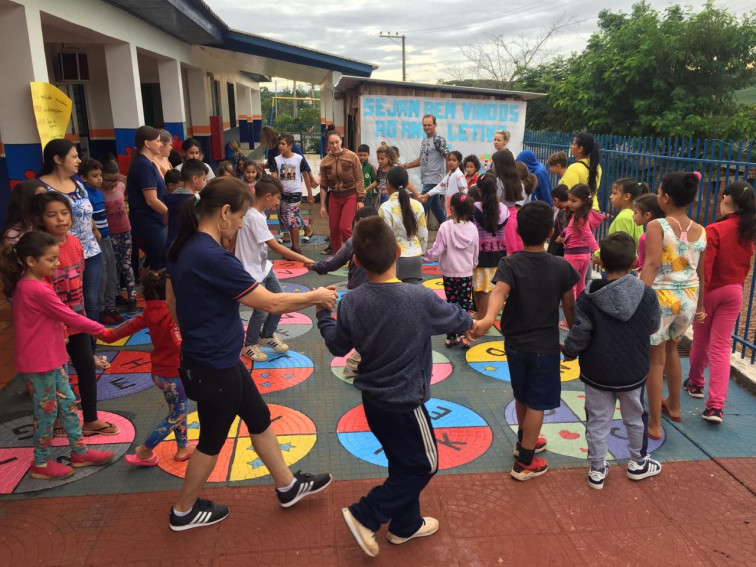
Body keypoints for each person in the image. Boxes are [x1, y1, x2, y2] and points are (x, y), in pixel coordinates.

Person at [166, 176, 337, 531]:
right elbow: (270, 302)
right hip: (214, 364)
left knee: (258, 417)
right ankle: (183, 511)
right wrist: (316, 296)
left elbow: (172, 303)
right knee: (211, 441)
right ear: (225, 213)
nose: (243, 224)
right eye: (241, 217)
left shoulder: (183, 245)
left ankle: (288, 486)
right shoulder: (212, 256)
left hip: (214, 357)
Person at [317, 216, 473, 557]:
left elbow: (338, 347)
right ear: (398, 251)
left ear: (356, 260)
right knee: (424, 464)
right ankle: (366, 514)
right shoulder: (418, 298)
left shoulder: (353, 302)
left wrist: (322, 315)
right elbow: (460, 319)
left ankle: (406, 524)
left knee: (402, 463)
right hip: (405, 403)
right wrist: (479, 320)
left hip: (373, 402)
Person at [470, 201, 579, 480]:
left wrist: (487, 319)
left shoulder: (510, 262)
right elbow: (569, 307)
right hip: (545, 347)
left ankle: (524, 441)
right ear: (549, 233)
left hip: (515, 344)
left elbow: (498, 293)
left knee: (522, 394)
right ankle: (525, 462)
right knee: (538, 402)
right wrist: (577, 335)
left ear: (517, 229)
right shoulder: (560, 266)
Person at [0, 231, 114, 480]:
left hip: (52, 358)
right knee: (46, 412)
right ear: (31, 261)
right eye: (51, 259)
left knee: (67, 404)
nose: (57, 263)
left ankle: (79, 451)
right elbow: (68, 315)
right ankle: (40, 463)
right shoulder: (34, 288)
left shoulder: (36, 283)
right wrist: (102, 331)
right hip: (39, 363)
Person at [563, 232, 662, 489]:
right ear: (634, 263)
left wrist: (570, 351)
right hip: (632, 371)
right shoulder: (648, 295)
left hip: (596, 371)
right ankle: (638, 462)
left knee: (597, 420)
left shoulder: (589, 295)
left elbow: (581, 331)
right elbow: (653, 327)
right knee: (634, 416)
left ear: (600, 263)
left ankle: (597, 469)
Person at [32, 192, 120, 436]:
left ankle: (91, 418)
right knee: (56, 375)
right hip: (51, 324)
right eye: (52, 215)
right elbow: (42, 294)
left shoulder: (74, 243)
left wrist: (81, 318)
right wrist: (60, 327)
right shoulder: (39, 250)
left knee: (85, 366)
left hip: (76, 318)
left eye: (64, 213)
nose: (60, 219)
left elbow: (78, 280)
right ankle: (59, 418)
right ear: (40, 219)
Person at [99, 270, 193, 465]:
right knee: (179, 413)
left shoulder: (148, 314)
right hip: (174, 373)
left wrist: (91, 328)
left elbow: (112, 335)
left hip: (159, 372)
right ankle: (145, 450)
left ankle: (183, 447)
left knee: (177, 408)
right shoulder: (173, 316)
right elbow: (179, 342)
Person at [640, 172, 706, 439]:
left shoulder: (657, 225)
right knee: (672, 351)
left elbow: (652, 264)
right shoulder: (701, 230)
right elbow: (701, 270)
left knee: (654, 361)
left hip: (661, 298)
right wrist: (700, 305)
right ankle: (675, 406)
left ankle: (654, 424)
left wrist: (638, 295)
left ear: (665, 197)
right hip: (688, 298)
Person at [687, 181, 755, 423]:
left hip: (712, 291)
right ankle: (716, 407)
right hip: (734, 292)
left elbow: (704, 270)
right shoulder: (748, 232)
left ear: (726, 199)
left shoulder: (714, 230)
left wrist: (700, 303)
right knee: (721, 347)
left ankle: (695, 384)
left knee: (702, 339)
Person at [235, 175, 315, 362]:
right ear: (268, 196)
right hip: (251, 271)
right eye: (277, 198)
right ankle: (250, 344)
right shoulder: (253, 217)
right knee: (262, 309)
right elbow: (276, 247)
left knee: (279, 301)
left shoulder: (257, 213)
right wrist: (304, 259)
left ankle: (268, 334)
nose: (279, 202)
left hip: (264, 267)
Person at [38, 140, 104, 333]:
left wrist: (93, 229)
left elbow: (86, 210)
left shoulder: (77, 182)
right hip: (61, 254)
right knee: (66, 303)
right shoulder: (42, 188)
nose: (78, 160)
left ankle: (90, 347)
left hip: (90, 250)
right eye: (74, 156)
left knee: (91, 300)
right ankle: (68, 345)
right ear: (57, 159)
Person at [311, 206, 379, 378]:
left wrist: (316, 266)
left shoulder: (354, 242)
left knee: (367, 329)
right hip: (380, 291)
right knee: (372, 329)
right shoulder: (384, 242)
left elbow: (333, 263)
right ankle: (355, 362)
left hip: (359, 292)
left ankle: (356, 362)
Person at [423, 193, 478, 347]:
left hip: (449, 273)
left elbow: (437, 249)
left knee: (452, 304)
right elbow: (475, 250)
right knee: (466, 304)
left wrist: (424, 257)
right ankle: (468, 336)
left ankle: (452, 336)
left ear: (451, 208)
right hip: (466, 272)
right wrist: (473, 264)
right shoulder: (473, 228)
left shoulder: (445, 227)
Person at [78, 159, 122, 325]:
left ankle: (110, 307)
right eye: (94, 176)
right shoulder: (85, 193)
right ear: (83, 178)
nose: (99, 179)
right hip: (95, 240)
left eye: (100, 175)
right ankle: (101, 309)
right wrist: (95, 231)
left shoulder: (98, 192)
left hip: (106, 236)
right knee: (101, 276)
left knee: (111, 271)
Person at [126, 126, 169, 272]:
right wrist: (171, 213)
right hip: (148, 222)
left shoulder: (147, 164)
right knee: (160, 261)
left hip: (153, 221)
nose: (161, 144)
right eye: (157, 141)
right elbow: (151, 200)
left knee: (160, 259)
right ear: (147, 143)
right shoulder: (144, 166)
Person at [319, 131, 365, 254]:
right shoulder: (324, 162)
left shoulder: (352, 156)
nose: (334, 145)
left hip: (350, 195)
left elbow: (360, 179)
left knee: (344, 228)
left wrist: (360, 199)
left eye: (336, 142)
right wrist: (322, 205)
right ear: (327, 144)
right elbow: (323, 185)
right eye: (331, 143)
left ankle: (354, 255)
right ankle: (338, 256)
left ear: (341, 142)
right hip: (334, 196)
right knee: (333, 230)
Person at [378, 167, 427, 284]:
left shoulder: (385, 207)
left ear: (387, 183)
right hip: (415, 257)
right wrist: (422, 251)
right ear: (407, 184)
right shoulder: (417, 205)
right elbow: (423, 234)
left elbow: (385, 238)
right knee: (413, 299)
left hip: (394, 260)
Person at [100, 159, 137, 313]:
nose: (112, 183)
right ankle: (115, 296)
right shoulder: (99, 193)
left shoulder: (121, 186)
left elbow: (123, 181)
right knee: (113, 266)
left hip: (125, 232)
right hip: (110, 234)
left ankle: (132, 297)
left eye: (115, 179)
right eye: (108, 180)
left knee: (126, 265)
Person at [471, 174, 509, 320]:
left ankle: (482, 316)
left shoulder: (474, 208)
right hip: (498, 253)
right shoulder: (503, 209)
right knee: (488, 288)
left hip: (479, 254)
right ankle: (482, 314)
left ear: (479, 190)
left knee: (479, 286)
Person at [559, 184, 605, 302]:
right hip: (584, 255)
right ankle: (579, 314)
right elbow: (573, 230)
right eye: (569, 199)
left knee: (571, 287)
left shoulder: (579, 218)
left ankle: (572, 318)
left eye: (574, 201)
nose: (570, 203)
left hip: (574, 255)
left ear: (584, 201)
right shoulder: (585, 214)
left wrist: (597, 251)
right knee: (580, 285)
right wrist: (563, 235)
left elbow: (588, 235)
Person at [270, 133, 314, 253]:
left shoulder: (298, 159)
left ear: (290, 146)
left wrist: (310, 194)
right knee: (286, 220)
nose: (280, 146)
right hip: (282, 195)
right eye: (279, 144)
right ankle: (295, 242)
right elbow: (274, 178)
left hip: (295, 194)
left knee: (292, 220)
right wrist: (274, 196)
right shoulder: (276, 160)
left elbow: (306, 176)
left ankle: (296, 247)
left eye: (283, 144)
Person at [403, 114, 448, 225]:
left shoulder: (438, 140)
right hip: (427, 178)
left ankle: (413, 231)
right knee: (436, 208)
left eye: (429, 125)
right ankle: (448, 228)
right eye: (424, 125)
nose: (427, 127)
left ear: (435, 125)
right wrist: (406, 166)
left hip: (433, 179)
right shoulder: (425, 140)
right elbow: (421, 160)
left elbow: (448, 156)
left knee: (420, 207)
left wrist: (449, 174)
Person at [491, 149, 526, 254]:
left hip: (501, 219)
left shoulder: (498, 182)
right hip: (514, 218)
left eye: (493, 163)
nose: (492, 165)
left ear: (499, 165)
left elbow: (495, 204)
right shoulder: (517, 181)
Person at [561, 133, 602, 211]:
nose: (571, 146)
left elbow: (569, 195)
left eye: (573, 144)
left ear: (580, 149)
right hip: (594, 210)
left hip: (579, 213)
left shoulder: (574, 169)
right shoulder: (597, 167)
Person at [417, 151, 467, 215]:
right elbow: (439, 187)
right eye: (449, 160)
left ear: (459, 162)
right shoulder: (449, 174)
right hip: (449, 204)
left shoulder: (459, 175)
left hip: (457, 205)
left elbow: (464, 191)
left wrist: (463, 204)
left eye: (454, 160)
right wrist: (426, 195)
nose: (451, 162)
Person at [2, 180, 46, 245]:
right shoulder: (13, 235)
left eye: (46, 195)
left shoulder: (50, 225)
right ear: (25, 201)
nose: (46, 200)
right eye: (40, 196)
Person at [632, 193, 665, 271]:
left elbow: (643, 267)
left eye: (635, 213)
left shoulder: (645, 238)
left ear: (647, 215)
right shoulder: (667, 233)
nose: (633, 216)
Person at [547, 184, 569, 257]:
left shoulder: (561, 213)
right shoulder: (572, 210)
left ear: (555, 200)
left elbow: (563, 232)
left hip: (556, 251)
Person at [357, 144, 378, 209]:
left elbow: (376, 181)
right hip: (356, 195)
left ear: (368, 154)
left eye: (364, 155)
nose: (362, 157)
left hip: (367, 196)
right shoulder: (355, 165)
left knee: (367, 215)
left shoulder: (371, 167)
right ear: (357, 154)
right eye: (360, 155)